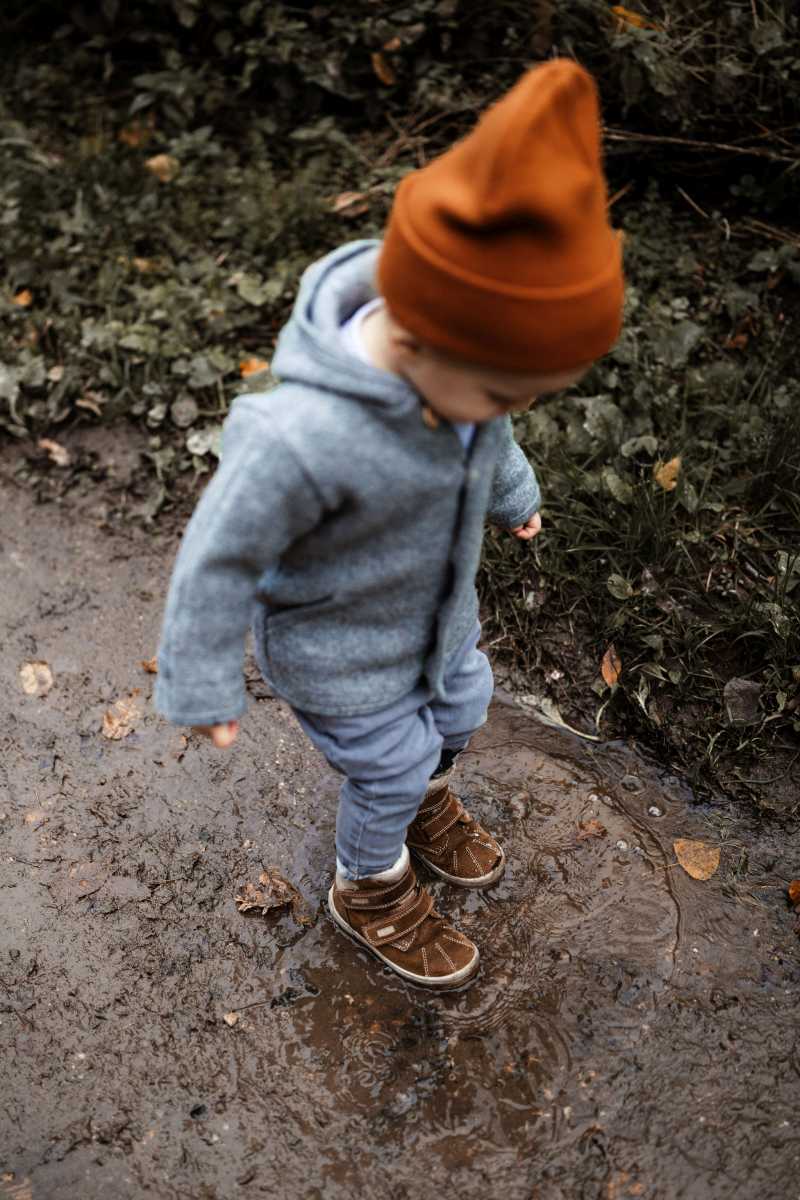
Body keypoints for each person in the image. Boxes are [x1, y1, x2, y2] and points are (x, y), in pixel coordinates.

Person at [155, 59, 624, 990]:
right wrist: (201, 680)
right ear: (411, 341)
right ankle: (368, 886)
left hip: (437, 624)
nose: (505, 408)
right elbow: (217, 559)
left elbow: (494, 440)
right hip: (340, 655)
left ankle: (424, 801)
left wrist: (516, 499)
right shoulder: (297, 436)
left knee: (463, 708)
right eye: (502, 391)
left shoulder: (467, 381)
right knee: (390, 765)